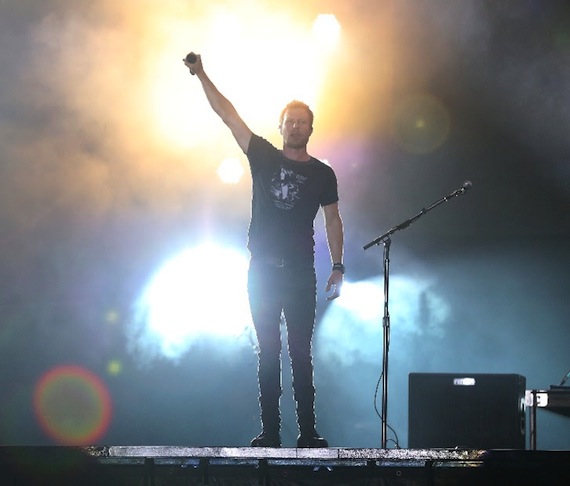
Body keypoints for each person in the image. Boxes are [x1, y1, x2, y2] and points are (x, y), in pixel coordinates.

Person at [183, 53, 344, 448]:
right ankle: (270, 433)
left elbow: (333, 220)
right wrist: (202, 74)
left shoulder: (323, 173)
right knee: (268, 353)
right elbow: (228, 114)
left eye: (302, 122)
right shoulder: (263, 156)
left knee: (301, 354)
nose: (295, 127)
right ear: (281, 126)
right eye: (290, 121)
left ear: (310, 129)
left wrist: (338, 265)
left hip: (300, 273)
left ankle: (308, 432)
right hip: (263, 271)